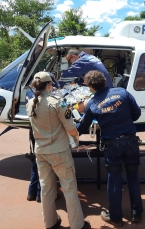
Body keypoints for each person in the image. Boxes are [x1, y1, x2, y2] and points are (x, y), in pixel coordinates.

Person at [77, 70, 143, 227]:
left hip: (112, 146)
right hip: (131, 142)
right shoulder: (122, 92)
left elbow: (82, 128)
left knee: (114, 181)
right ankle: (136, 213)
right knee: (133, 177)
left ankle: (116, 217)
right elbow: (137, 113)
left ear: (92, 86)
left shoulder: (92, 103)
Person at [26, 71, 90, 229]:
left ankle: (50, 222)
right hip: (59, 151)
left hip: (40, 151)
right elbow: (71, 126)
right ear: (49, 85)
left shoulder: (30, 103)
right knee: (69, 188)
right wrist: (76, 137)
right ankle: (77, 225)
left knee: (46, 189)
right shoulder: (59, 102)